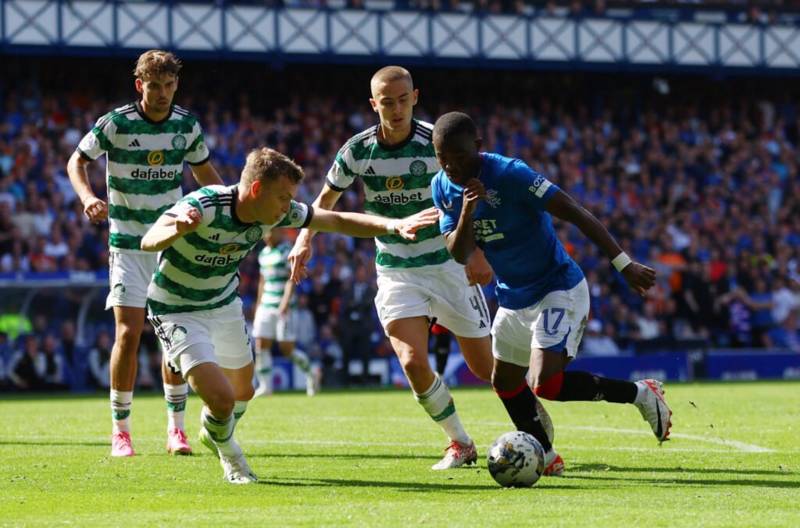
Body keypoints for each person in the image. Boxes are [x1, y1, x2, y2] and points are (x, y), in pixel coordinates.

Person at [141, 147, 436, 484]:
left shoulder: (277, 213)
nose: (287, 206)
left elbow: (336, 220)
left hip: (222, 304)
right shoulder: (205, 204)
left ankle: (214, 430)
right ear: (256, 189)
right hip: (176, 308)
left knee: (243, 393)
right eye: (283, 197)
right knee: (222, 400)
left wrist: (394, 225)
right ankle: (232, 458)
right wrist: (177, 229)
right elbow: (149, 240)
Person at [430, 111, 672, 476]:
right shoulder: (442, 187)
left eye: (459, 156)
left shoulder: (511, 174)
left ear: (478, 147)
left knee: (545, 383)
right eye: (442, 158)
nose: (451, 166)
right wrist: (467, 211)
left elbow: (573, 211)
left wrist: (623, 264)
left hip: (558, 287)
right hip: (513, 297)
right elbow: (459, 253)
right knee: (504, 382)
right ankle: (544, 453)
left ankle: (640, 393)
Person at [288, 66, 496, 470]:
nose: (396, 109)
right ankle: (460, 442)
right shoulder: (357, 151)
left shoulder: (436, 142)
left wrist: (476, 251)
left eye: (403, 100)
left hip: (448, 264)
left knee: (487, 369)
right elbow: (325, 201)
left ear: (415, 97)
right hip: (397, 270)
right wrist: (304, 239)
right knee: (413, 362)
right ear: (373, 104)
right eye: (387, 103)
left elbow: (473, 196)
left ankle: (538, 434)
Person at [66, 50, 224, 457]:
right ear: (140, 85)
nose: (162, 93)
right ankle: (120, 431)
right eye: (154, 86)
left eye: (169, 85)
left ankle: (176, 430)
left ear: (177, 85)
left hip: (171, 243)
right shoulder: (116, 123)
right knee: (128, 333)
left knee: (173, 335)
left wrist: (227, 207)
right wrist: (87, 197)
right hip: (127, 245)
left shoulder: (186, 125)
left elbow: (204, 174)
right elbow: (76, 162)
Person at [252, 229, 320, 397]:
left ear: (278, 233)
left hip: (284, 306)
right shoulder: (263, 253)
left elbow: (292, 278)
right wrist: (258, 304)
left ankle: (311, 372)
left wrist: (285, 302)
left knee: (287, 349)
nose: (267, 236)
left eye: (270, 232)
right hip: (266, 305)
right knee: (261, 344)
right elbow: (262, 281)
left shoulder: (286, 251)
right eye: (266, 233)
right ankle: (266, 386)